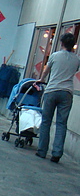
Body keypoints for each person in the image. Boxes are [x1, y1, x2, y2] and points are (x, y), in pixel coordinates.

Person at [36, 32, 80, 163]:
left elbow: (46, 71)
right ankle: (57, 153)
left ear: (61, 43)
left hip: (52, 90)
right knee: (62, 123)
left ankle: (42, 151)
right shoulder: (77, 59)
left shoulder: (55, 56)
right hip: (67, 93)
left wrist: (41, 79)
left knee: (46, 121)